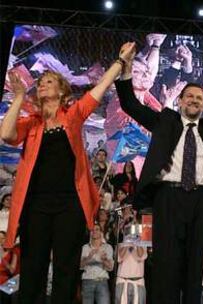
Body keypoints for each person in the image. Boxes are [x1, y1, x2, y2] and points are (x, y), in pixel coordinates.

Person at [115, 45, 203, 304]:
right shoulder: (165, 122)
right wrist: (125, 68)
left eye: (199, 98)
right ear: (180, 101)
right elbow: (129, 104)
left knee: (195, 267)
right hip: (167, 199)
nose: (194, 100)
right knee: (165, 266)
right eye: (190, 96)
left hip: (201, 201)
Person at [0, 42, 136, 303]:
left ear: (62, 92)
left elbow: (100, 88)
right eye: (40, 82)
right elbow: (6, 133)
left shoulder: (73, 115)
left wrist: (120, 62)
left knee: (65, 269)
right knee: (33, 269)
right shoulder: (32, 123)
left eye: (49, 81)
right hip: (36, 205)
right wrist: (18, 97)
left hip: (69, 204)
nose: (42, 84)